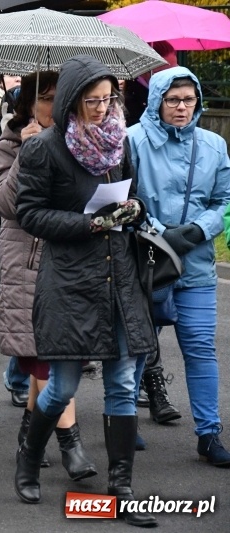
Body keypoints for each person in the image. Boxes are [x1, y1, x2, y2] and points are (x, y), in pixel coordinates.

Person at [13, 55, 156, 528]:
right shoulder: (43, 150)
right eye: (91, 101)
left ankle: (122, 487)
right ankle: (29, 460)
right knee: (63, 387)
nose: (101, 109)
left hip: (118, 278)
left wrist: (133, 208)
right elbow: (29, 214)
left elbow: (138, 199)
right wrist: (89, 223)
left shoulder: (120, 142)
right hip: (71, 280)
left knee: (120, 383)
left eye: (107, 99)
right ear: (72, 101)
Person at [0, 70, 98, 479]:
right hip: (28, 261)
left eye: (60, 98)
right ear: (28, 104)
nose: (53, 107)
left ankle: (28, 437)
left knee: (56, 356)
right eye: (45, 98)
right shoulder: (9, 142)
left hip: (72, 259)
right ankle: (71, 445)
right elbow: (3, 203)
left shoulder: (82, 144)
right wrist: (27, 153)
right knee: (46, 359)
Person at [128, 67, 230, 466]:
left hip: (197, 264)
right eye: (173, 100)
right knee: (136, 349)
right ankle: (122, 422)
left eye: (189, 100)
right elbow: (125, 195)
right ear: (156, 101)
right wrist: (156, 232)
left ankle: (209, 433)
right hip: (147, 261)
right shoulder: (133, 140)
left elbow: (224, 201)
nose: (182, 107)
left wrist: (196, 230)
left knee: (201, 349)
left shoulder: (214, 144)